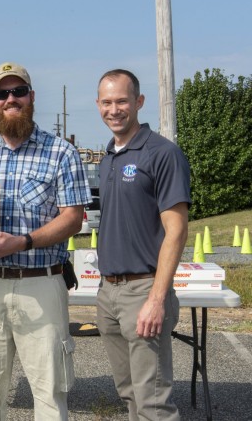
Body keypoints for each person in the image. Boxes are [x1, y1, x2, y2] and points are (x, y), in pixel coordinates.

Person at [0, 62, 91, 420]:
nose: (10, 99)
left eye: (18, 91)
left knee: (49, 395)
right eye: (2, 93)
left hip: (41, 284)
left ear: (31, 96)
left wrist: (24, 242)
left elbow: (73, 218)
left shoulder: (61, 153)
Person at [95, 69, 191, 421]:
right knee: (130, 394)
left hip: (144, 290)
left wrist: (156, 299)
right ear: (98, 105)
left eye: (122, 100)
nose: (114, 109)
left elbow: (176, 230)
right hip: (110, 293)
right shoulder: (108, 158)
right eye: (107, 102)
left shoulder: (161, 153)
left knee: (153, 402)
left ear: (139, 102)